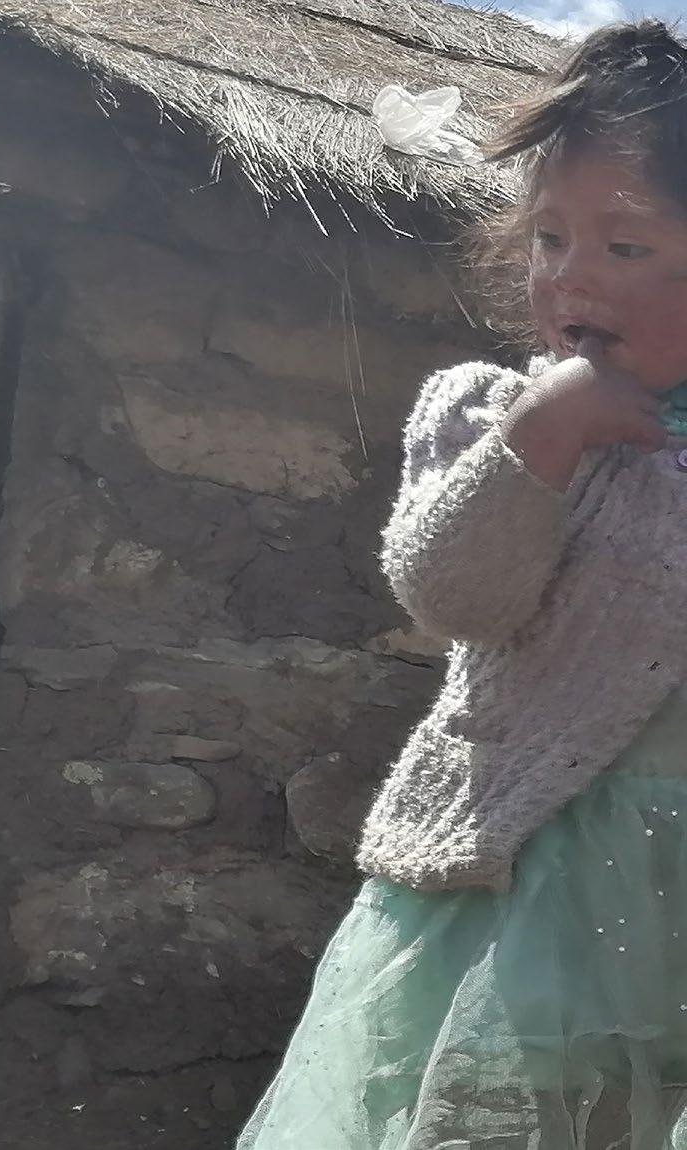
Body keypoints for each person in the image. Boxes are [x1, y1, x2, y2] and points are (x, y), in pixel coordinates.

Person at [235, 20, 687, 1150]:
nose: (570, 272)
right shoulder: (489, 415)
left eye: (626, 244)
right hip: (527, 886)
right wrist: (543, 437)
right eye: (548, 237)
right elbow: (453, 598)